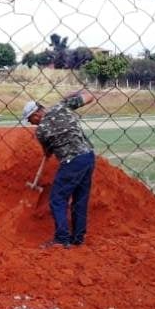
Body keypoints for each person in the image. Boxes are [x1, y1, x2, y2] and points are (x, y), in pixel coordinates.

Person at [22, 89, 97, 249]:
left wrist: (49, 149)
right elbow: (89, 96)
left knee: (57, 199)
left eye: (30, 119)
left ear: (36, 114)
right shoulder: (61, 107)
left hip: (71, 161)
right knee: (80, 198)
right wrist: (76, 92)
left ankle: (61, 238)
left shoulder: (41, 131)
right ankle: (77, 238)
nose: (30, 123)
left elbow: (47, 153)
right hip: (88, 156)